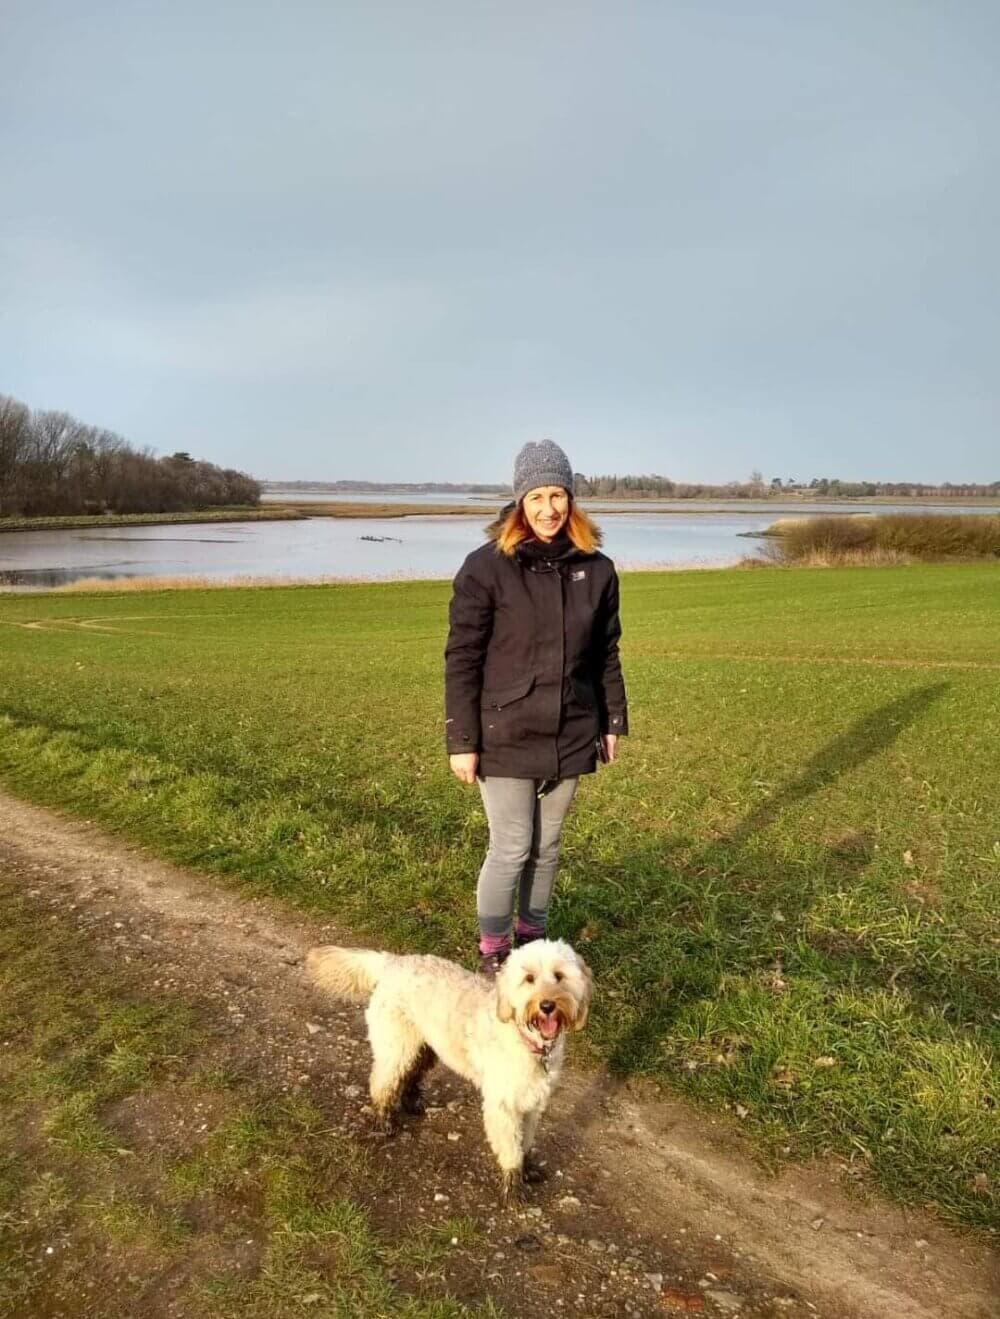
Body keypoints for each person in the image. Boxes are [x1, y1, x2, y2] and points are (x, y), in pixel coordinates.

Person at [444, 439, 628, 976]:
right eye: (537, 497)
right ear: (519, 502)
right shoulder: (486, 568)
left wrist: (612, 719)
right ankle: (495, 951)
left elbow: (606, 653)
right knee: (511, 848)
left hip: (571, 729)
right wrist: (463, 741)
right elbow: (462, 658)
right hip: (504, 732)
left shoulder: (597, 569)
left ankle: (532, 938)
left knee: (546, 848)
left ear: (571, 499)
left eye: (558, 495)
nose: (549, 509)